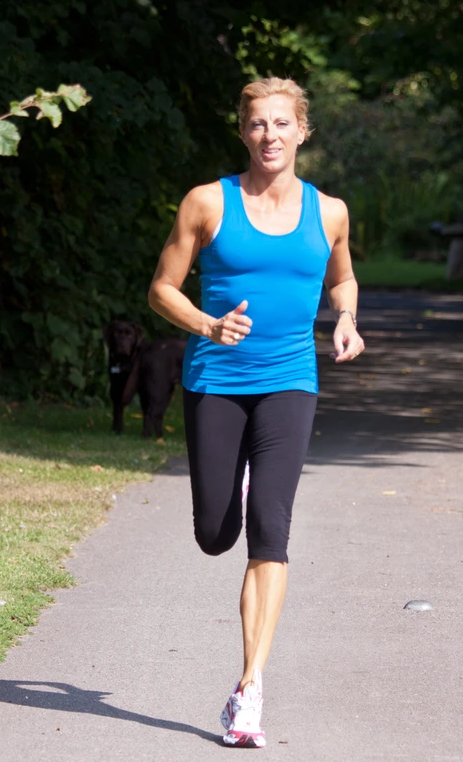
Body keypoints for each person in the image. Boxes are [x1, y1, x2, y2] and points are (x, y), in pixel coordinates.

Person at [148, 77, 363, 748]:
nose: (270, 135)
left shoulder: (329, 213)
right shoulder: (207, 203)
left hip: (290, 381)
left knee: (270, 530)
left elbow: (342, 277)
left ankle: (250, 690)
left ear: (303, 131)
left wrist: (347, 319)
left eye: (281, 123)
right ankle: (234, 484)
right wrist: (208, 326)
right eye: (257, 124)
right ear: (242, 133)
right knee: (216, 534)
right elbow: (160, 289)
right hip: (216, 380)